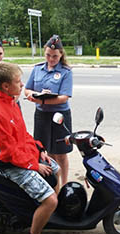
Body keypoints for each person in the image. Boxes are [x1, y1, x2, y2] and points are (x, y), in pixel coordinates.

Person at [0, 61, 59, 234]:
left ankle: (45, 214)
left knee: (56, 167)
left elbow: (22, 135)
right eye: (18, 81)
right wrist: (34, 165)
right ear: (6, 86)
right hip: (10, 165)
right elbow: (8, 152)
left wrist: (39, 150)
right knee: (51, 200)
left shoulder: (12, 102)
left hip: (22, 156)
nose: (22, 85)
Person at [25, 35, 73, 188]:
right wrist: (32, 95)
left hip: (59, 115)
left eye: (55, 56)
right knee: (45, 151)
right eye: (48, 55)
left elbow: (64, 97)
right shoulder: (37, 69)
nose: (51, 59)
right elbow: (26, 89)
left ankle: (64, 185)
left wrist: (43, 100)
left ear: (61, 55)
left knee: (60, 152)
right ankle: (53, 184)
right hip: (42, 115)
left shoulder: (66, 72)